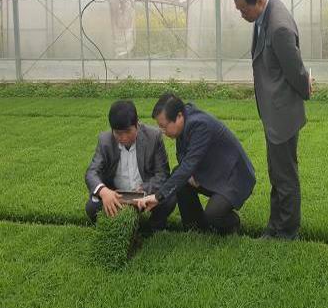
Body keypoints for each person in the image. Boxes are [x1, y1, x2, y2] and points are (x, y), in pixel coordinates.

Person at [232, 0, 312, 240]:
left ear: (259, 0)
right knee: (277, 172)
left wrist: (306, 87)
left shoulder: (278, 26)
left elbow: (295, 70)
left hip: (282, 113)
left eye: (244, 10)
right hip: (273, 111)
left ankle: (287, 232)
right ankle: (275, 226)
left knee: (285, 175)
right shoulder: (263, 15)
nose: (242, 15)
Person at [135, 93, 256, 235]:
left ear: (179, 116)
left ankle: (232, 223)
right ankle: (195, 228)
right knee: (180, 176)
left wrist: (158, 196)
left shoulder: (200, 125)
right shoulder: (184, 121)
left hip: (234, 178)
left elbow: (188, 165)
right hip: (214, 171)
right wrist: (190, 174)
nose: (163, 132)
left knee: (213, 215)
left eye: (164, 127)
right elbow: (182, 157)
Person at [84, 100, 175, 231]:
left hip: (145, 195)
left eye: (128, 131)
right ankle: (115, 226)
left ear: (136, 124)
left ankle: (152, 228)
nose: (124, 137)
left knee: (169, 199)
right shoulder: (105, 141)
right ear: (112, 130)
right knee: (92, 207)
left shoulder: (153, 136)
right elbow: (91, 172)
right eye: (118, 133)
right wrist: (104, 191)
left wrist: (144, 190)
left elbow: (163, 174)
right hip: (116, 196)